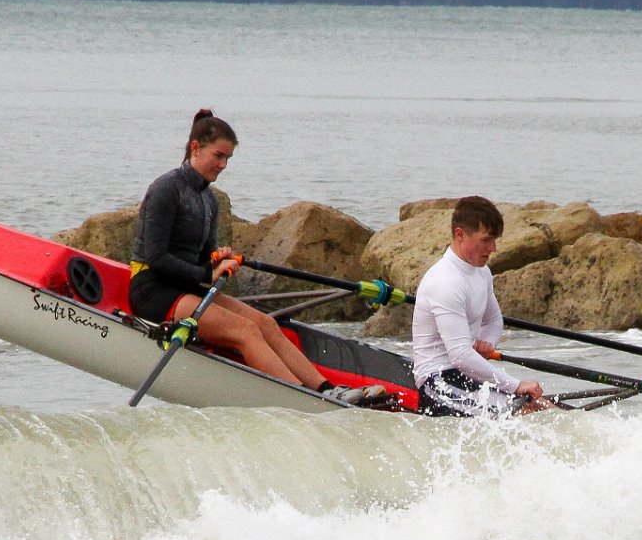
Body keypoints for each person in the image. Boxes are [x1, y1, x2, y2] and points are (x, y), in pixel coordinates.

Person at [131, 110, 383, 404]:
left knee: (266, 324)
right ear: (195, 148)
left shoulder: (209, 200)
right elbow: (156, 256)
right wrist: (205, 274)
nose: (223, 165)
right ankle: (305, 399)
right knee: (245, 330)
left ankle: (327, 390)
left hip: (186, 289)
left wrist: (215, 260)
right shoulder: (166, 189)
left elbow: (200, 258)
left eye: (228, 159)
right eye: (218, 156)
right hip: (153, 290)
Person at [411, 196, 550, 417]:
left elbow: (493, 320)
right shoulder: (445, 282)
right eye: (486, 240)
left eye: (494, 240)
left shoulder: (481, 272)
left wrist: (488, 343)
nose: (493, 248)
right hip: (437, 379)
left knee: (545, 410)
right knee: (522, 415)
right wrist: (516, 385)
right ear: (460, 234)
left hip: (468, 372)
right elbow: (460, 356)